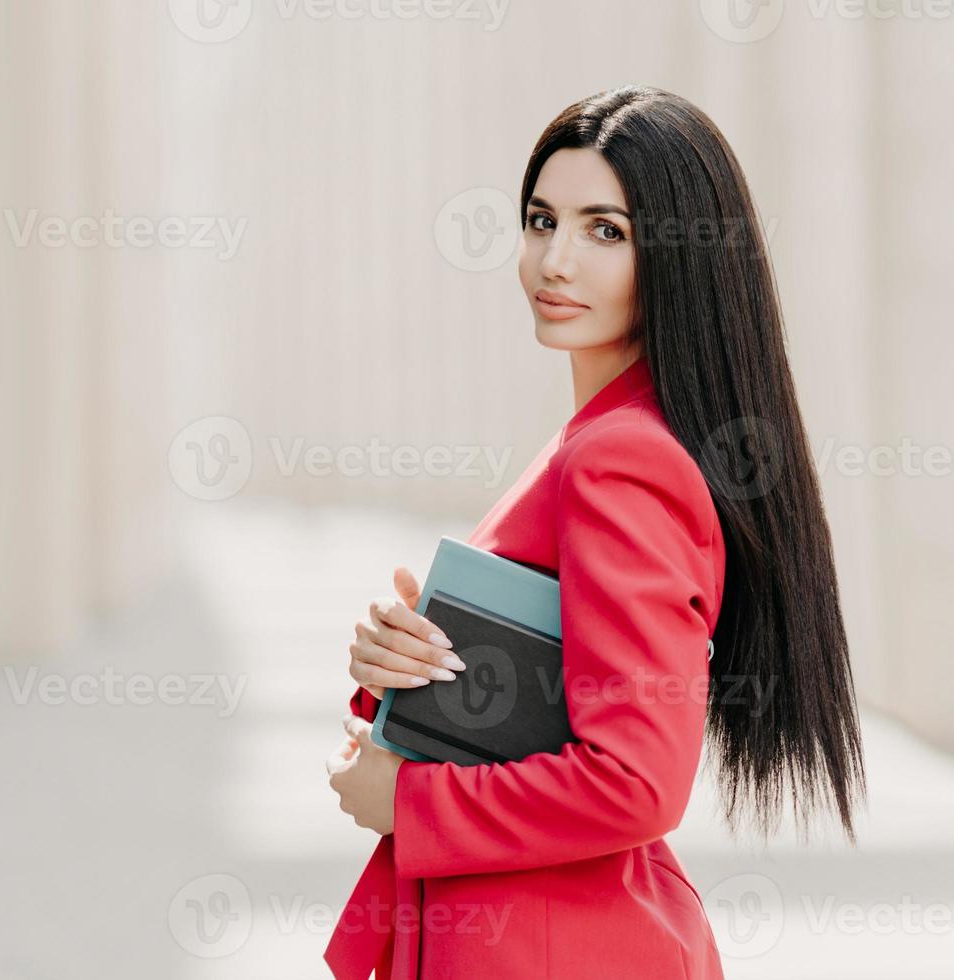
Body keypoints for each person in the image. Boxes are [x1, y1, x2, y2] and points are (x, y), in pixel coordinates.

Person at [324, 84, 865, 980]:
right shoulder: (608, 436)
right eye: (541, 221)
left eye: (605, 230)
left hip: (555, 942)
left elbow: (636, 778)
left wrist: (409, 801)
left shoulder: (623, 459)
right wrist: (411, 666)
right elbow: (563, 693)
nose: (555, 261)